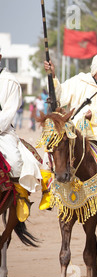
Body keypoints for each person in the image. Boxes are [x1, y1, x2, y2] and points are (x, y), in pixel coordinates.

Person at [43, 50, 97, 212]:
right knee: (52, 150)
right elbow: (60, 96)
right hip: (75, 130)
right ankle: (48, 192)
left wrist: (94, 115)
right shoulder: (79, 81)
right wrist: (53, 76)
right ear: (96, 68)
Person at [0, 48, 42, 222]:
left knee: (16, 162)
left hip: (3, 131)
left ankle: (19, 198)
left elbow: (8, 112)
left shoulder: (10, 82)